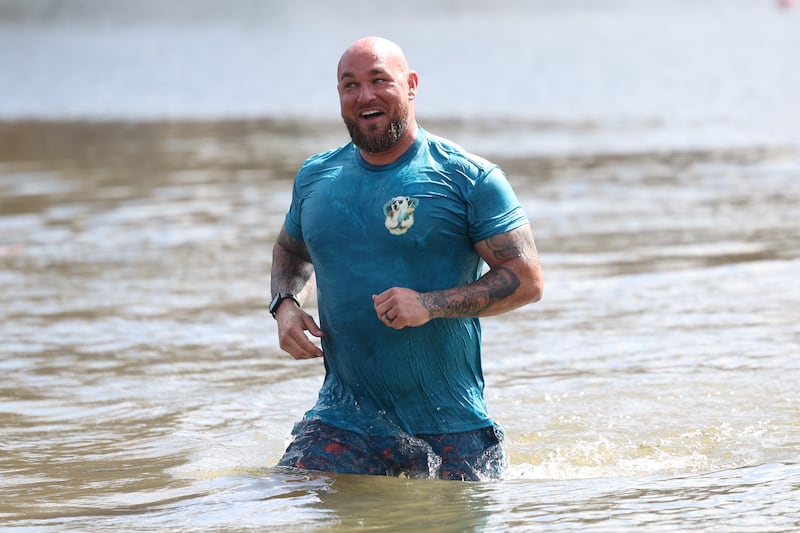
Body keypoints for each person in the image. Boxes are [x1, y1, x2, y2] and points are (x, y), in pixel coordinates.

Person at [270, 36, 543, 481]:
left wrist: (429, 304)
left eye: (380, 80)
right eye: (350, 85)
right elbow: (290, 248)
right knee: (274, 498)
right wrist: (285, 305)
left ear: (411, 85)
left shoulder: (468, 178)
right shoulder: (316, 177)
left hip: (452, 424)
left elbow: (527, 279)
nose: (365, 96)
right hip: (344, 418)